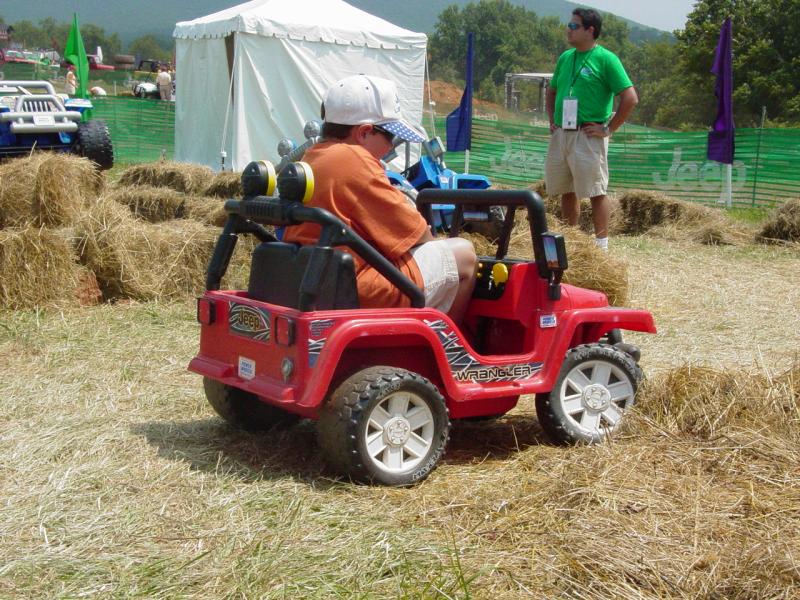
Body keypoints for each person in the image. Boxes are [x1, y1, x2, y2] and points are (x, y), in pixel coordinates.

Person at [282, 74, 477, 324]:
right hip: (359, 286)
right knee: (464, 255)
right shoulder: (356, 161)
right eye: (390, 137)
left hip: (315, 278)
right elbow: (420, 236)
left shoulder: (313, 155)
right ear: (363, 132)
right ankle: (449, 347)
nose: (389, 148)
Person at [544, 8, 639, 251]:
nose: (568, 29)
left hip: (588, 134)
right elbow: (552, 90)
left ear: (590, 30)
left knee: (596, 191)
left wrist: (608, 128)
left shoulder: (607, 59)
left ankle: (601, 246)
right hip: (562, 133)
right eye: (569, 24)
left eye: (574, 26)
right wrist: (551, 120)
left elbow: (630, 98)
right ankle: (569, 240)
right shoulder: (566, 57)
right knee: (566, 190)